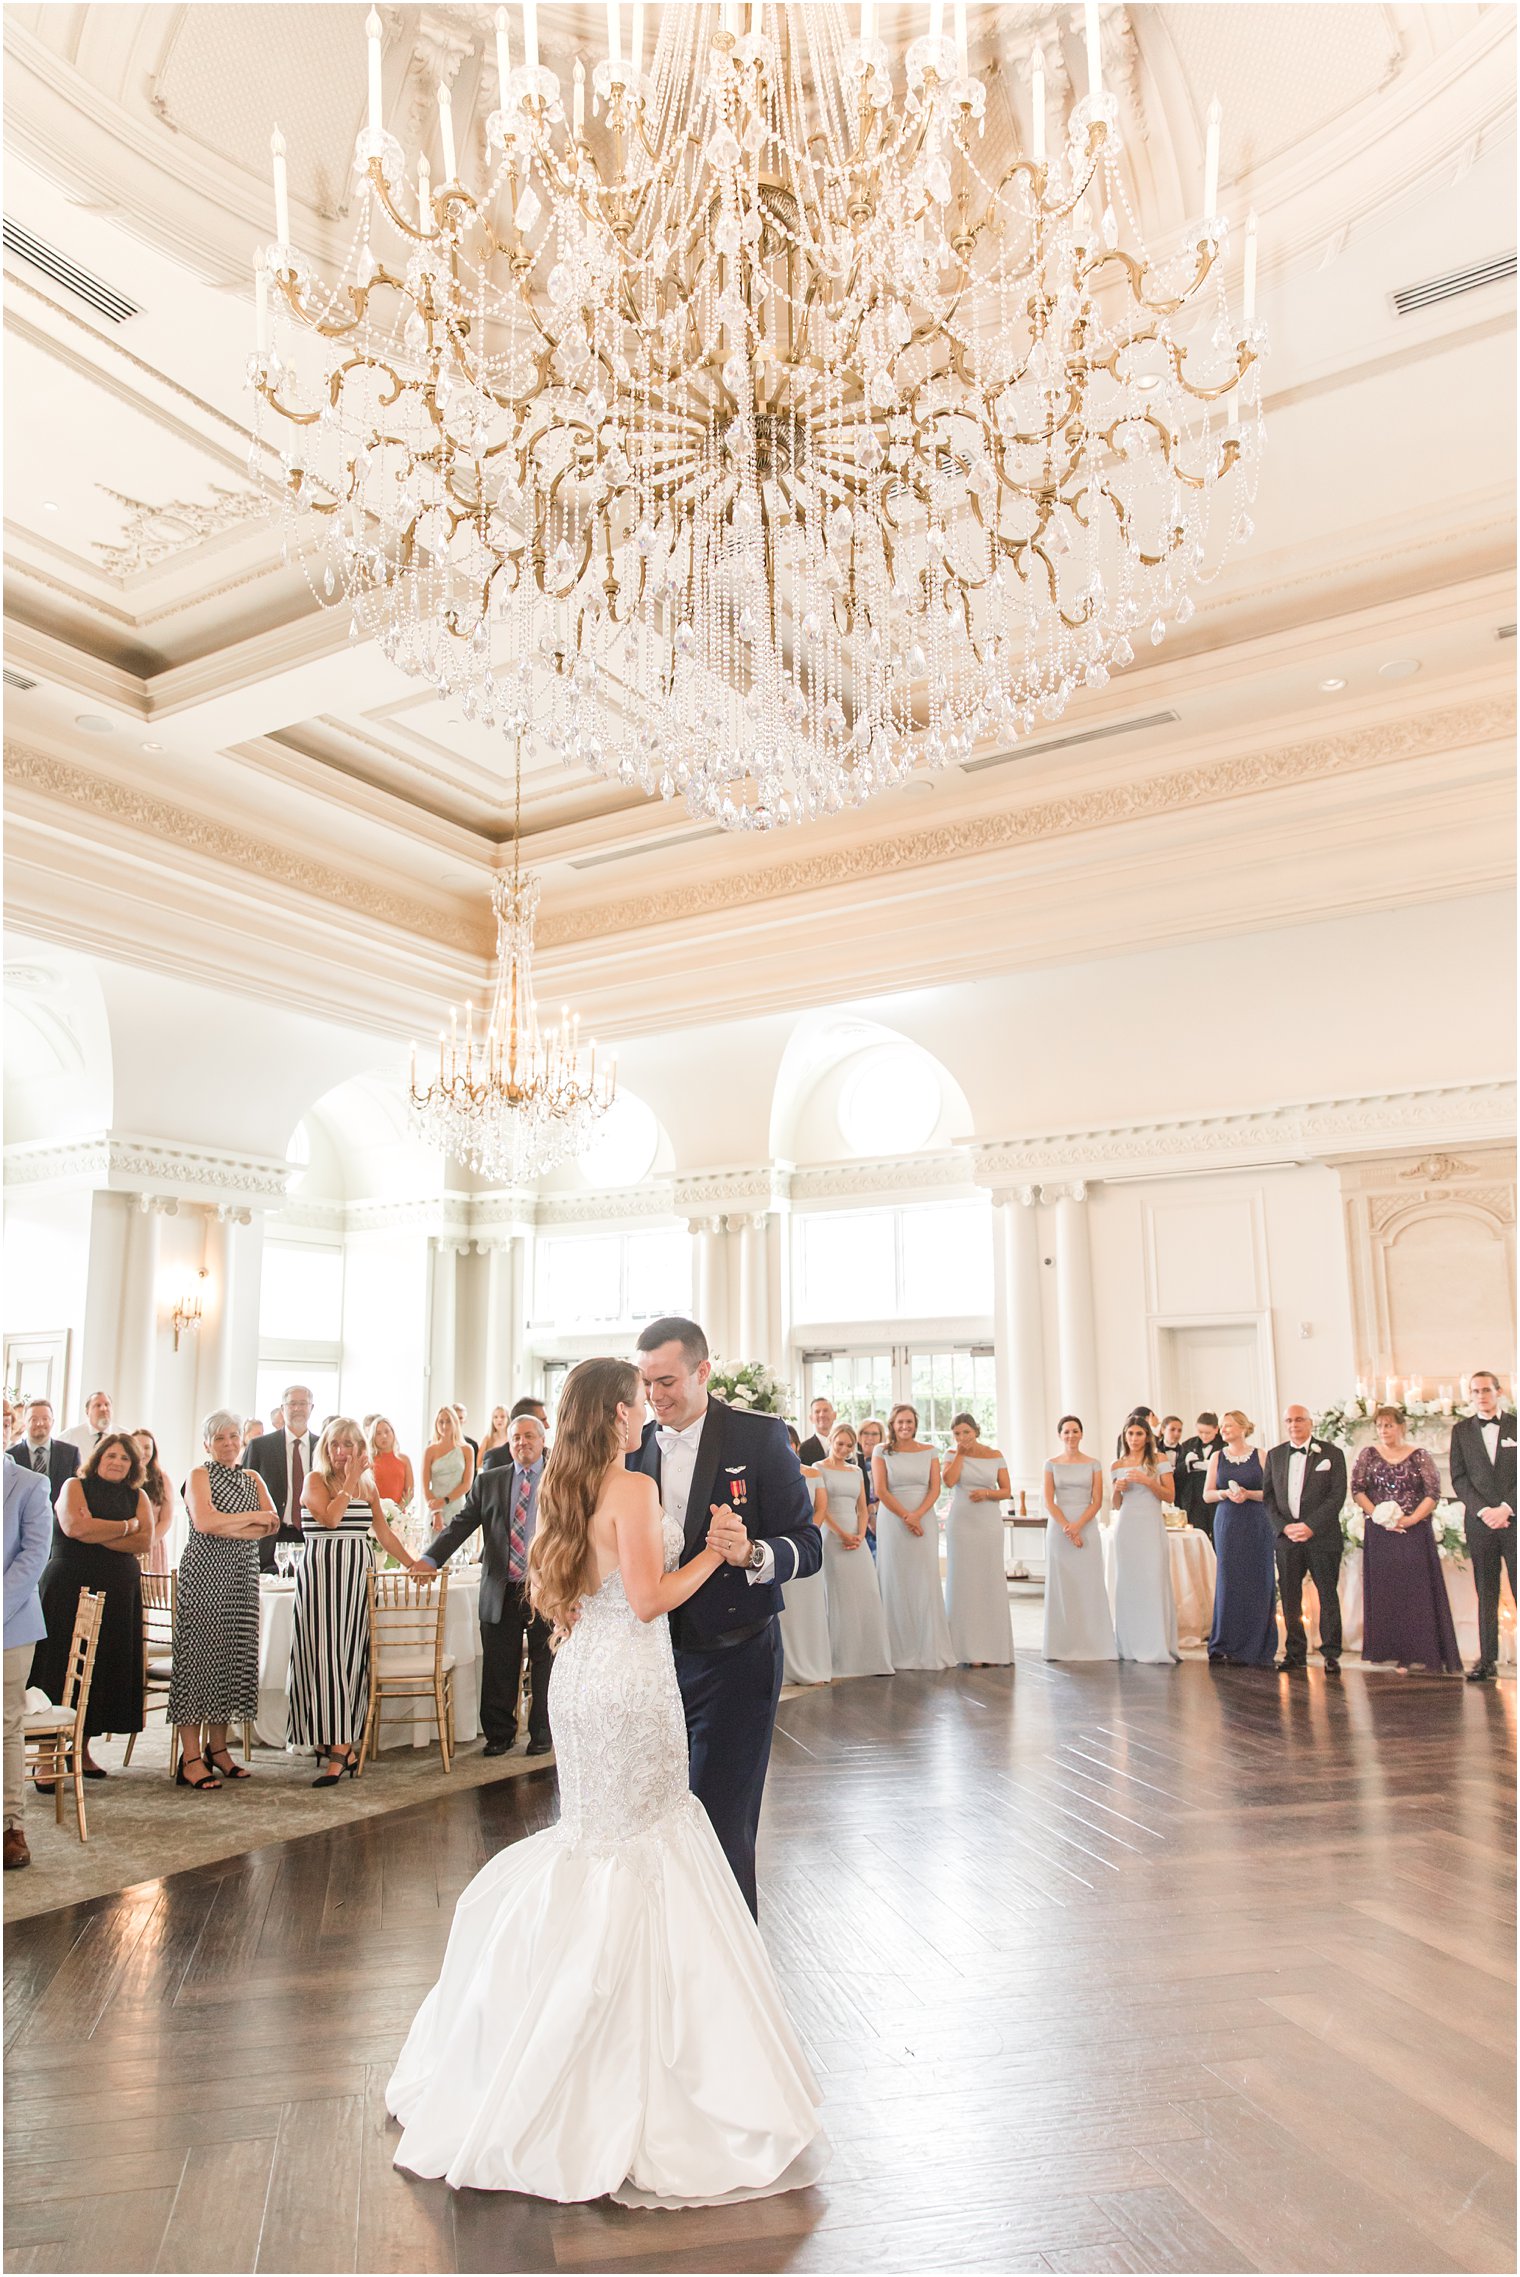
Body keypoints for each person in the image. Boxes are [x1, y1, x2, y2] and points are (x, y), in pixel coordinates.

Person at [387, 1355, 825, 2203]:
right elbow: (652, 1597)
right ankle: (635, 2054)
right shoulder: (628, 1487)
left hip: (582, 1672)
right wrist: (713, 1553)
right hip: (630, 1680)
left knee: (596, 1837)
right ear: (617, 1412)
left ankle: (548, 2028)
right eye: (636, 1402)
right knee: (643, 1839)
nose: (645, 1413)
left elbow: (570, 1587)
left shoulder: (561, 1480)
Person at [628, 1316, 822, 1918]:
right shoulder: (632, 1447)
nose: (656, 1397)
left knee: (721, 1817)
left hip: (738, 1656)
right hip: (653, 1661)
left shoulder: (759, 1438)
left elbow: (808, 1545)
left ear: (702, 1372)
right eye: (646, 1384)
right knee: (660, 1816)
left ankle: (733, 1962)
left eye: (667, 1382)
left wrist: (753, 1553)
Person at [416, 1412, 555, 1758]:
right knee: (498, 1664)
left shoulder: (560, 1475)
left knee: (546, 1662)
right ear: (508, 1443)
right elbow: (461, 1524)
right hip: (501, 1585)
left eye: (528, 1436)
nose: (522, 1443)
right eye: (515, 1438)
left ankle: (543, 1733)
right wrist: (431, 1558)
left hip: (547, 1586)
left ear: (542, 1441)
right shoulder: (489, 1481)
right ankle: (499, 1734)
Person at [289, 1419, 418, 1784]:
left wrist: (413, 1565)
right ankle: (330, 1740)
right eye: (335, 1445)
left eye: (349, 1444)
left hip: (355, 1578)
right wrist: (348, 1482)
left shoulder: (369, 1487)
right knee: (322, 1658)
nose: (342, 1452)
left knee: (348, 1658)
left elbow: (384, 1533)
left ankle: (343, 1746)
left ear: (361, 1449)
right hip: (321, 1578)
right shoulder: (315, 1481)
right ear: (325, 1449)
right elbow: (330, 1520)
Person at [30, 1432, 152, 1776]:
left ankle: (82, 1750)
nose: (117, 1462)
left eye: (125, 1458)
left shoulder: (138, 1494)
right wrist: (126, 1526)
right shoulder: (74, 1486)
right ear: (98, 1457)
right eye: (111, 1455)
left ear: (133, 1464)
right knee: (56, 1666)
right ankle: (45, 1756)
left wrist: (100, 1530)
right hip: (68, 1586)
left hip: (117, 1592)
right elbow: (75, 1528)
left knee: (100, 1671)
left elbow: (145, 1540)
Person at [169, 1411, 280, 1791]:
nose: (229, 1443)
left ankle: (218, 1750)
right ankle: (190, 1758)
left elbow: (273, 1523)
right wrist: (247, 1522)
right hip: (204, 1576)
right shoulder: (199, 1475)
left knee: (229, 1664)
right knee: (198, 1665)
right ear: (207, 1444)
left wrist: (227, 1520)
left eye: (234, 1436)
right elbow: (204, 1523)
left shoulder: (252, 1476)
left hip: (241, 1578)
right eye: (220, 1438)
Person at [1353, 1408, 1460, 1674]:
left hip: (1413, 1533)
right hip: (1380, 1532)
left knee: (1415, 1593)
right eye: (1379, 1426)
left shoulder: (1419, 1455)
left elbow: (1432, 1492)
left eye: (1388, 1425)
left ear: (1401, 1426)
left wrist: (1410, 1520)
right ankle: (1390, 1649)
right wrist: (1378, 1515)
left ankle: (1421, 1650)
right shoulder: (1368, 1454)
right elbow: (1357, 1489)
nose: (1383, 1430)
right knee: (1387, 1592)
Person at [1263, 1407, 1347, 1673]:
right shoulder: (1275, 1456)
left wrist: (1310, 1526)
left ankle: (1331, 1653)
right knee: (1289, 1595)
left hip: (1322, 1537)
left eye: (1299, 1419)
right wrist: (1285, 1528)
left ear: (1310, 1423)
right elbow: (1268, 1499)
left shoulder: (1332, 1454)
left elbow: (1337, 1496)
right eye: (1289, 1420)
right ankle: (1295, 1652)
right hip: (1287, 1539)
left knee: (1327, 1594)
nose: (1293, 1424)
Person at [872, 1404, 954, 1671]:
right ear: (892, 1425)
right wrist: (906, 1516)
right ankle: (896, 1651)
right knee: (894, 1578)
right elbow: (881, 1490)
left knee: (924, 1579)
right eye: (900, 1422)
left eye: (909, 1422)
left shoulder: (929, 1451)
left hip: (924, 1517)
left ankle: (928, 1648)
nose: (905, 1426)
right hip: (893, 1520)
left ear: (915, 1424)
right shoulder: (881, 1451)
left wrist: (917, 1515)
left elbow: (935, 1487)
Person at [1448, 1371, 1517, 1682]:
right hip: (1480, 1523)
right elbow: (1459, 1478)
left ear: (1498, 1392)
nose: (1481, 1395)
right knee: (1486, 1592)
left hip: (1514, 1520)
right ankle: (1487, 1659)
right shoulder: (1461, 1431)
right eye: (1475, 1391)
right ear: (1471, 1395)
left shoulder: (1516, 1424)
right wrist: (1485, 1511)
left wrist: (1507, 1508)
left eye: (1486, 1389)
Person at [815, 1423, 893, 1680]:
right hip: (832, 1536)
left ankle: (868, 1658)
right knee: (837, 1595)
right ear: (832, 1440)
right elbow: (822, 1509)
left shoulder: (856, 1470)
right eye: (840, 1444)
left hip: (856, 1537)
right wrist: (842, 1534)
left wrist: (860, 1534)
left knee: (866, 1592)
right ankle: (840, 1660)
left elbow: (862, 1506)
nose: (844, 1449)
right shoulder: (819, 1468)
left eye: (849, 1446)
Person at [4, 1456, 52, 1869]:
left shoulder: (29, 1484)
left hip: (10, 1625)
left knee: (5, 1726)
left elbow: (34, 1557)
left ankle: (10, 1828)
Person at [1042, 1416, 1116, 1661]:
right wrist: (1067, 1527)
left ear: (1081, 1434)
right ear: (1060, 1435)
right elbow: (1048, 1501)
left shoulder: (1093, 1464)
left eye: (1075, 1431)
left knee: (1089, 1584)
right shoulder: (1051, 1464)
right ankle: (1060, 1645)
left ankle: (1094, 1644)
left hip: (1086, 1526)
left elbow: (1097, 1501)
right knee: (1062, 1585)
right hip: (1059, 1528)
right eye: (1066, 1431)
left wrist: (1079, 1526)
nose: (1070, 1436)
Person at [942, 1413, 1013, 1667]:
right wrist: (960, 1454)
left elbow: (1007, 1490)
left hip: (988, 1522)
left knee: (989, 1579)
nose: (962, 1438)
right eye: (957, 1434)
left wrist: (987, 1493)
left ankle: (993, 1649)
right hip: (962, 1523)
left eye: (966, 1433)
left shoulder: (995, 1455)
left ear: (976, 1431)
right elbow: (948, 1482)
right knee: (964, 1581)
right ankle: (966, 1650)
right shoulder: (951, 1455)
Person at [1110, 1417, 1180, 1665]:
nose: (1134, 1439)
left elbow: (1170, 1495)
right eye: (1130, 1434)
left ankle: (1156, 1644)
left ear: (1148, 1437)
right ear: (1124, 1436)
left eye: (1139, 1434)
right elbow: (1116, 1505)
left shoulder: (1159, 1460)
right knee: (1129, 1583)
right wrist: (1117, 1489)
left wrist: (1149, 1482)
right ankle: (1129, 1645)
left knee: (1153, 1580)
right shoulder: (1117, 1464)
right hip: (1127, 1527)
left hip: (1150, 1525)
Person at [242, 1385, 318, 1575]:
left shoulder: (323, 1446)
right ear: (282, 1408)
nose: (297, 1408)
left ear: (311, 1408)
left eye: (303, 1404)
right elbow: (244, 1493)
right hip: (271, 1537)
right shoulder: (260, 1446)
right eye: (292, 1404)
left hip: (312, 1535)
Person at [777, 1427, 830, 1685]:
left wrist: (809, 1534)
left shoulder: (814, 1474)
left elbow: (821, 1507)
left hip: (807, 1544)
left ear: (796, 1445)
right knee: (787, 1612)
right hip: (784, 1547)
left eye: (790, 1442)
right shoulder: (772, 1473)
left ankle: (813, 1666)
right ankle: (787, 1669)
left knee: (811, 1608)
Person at [7, 1401, 80, 1500]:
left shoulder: (70, 1453)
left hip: (59, 1514)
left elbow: (77, 1490)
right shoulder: (11, 1456)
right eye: (33, 1419)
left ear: (52, 1422)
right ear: (25, 1423)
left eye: (45, 1419)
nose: (40, 1423)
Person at [130, 1429, 176, 1574]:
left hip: (152, 1545)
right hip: (125, 1545)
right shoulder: (123, 1476)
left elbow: (166, 1519)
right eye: (138, 1446)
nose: (143, 1452)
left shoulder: (162, 1478)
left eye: (147, 1447)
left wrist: (148, 1543)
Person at [422, 1405, 475, 1529]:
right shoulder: (430, 1450)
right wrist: (436, 1511)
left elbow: (467, 1484)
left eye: (448, 1421)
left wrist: (445, 1500)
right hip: (434, 1505)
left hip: (456, 1506)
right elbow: (425, 1487)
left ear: (455, 1423)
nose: (444, 1426)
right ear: (436, 1424)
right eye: (441, 1422)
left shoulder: (467, 1449)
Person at [1175, 1411, 1223, 1539]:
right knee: (1197, 1537)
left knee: (1219, 1536)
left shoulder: (1224, 1446)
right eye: (1200, 1432)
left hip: (1216, 1500)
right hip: (1194, 1500)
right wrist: (1186, 1465)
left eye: (1207, 1432)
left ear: (1216, 1429)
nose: (1203, 1436)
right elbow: (1176, 1475)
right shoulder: (1188, 1445)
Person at [368, 1415, 413, 1511]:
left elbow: (410, 1492)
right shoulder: (369, 1461)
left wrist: (396, 1511)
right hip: (375, 1514)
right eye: (378, 1433)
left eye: (387, 1432)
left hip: (399, 1517)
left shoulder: (404, 1459)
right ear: (373, 1437)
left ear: (393, 1433)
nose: (383, 1436)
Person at [857, 1417, 885, 1558]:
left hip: (884, 1516)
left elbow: (891, 1492)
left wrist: (873, 1510)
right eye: (865, 1433)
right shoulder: (852, 1461)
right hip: (857, 1520)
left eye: (875, 1434)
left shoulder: (887, 1462)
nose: (870, 1438)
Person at [796, 1397, 838, 1467]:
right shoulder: (804, 1449)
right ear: (811, 1418)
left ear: (834, 1415)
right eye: (817, 1412)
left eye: (825, 1410)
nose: (822, 1415)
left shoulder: (846, 1444)